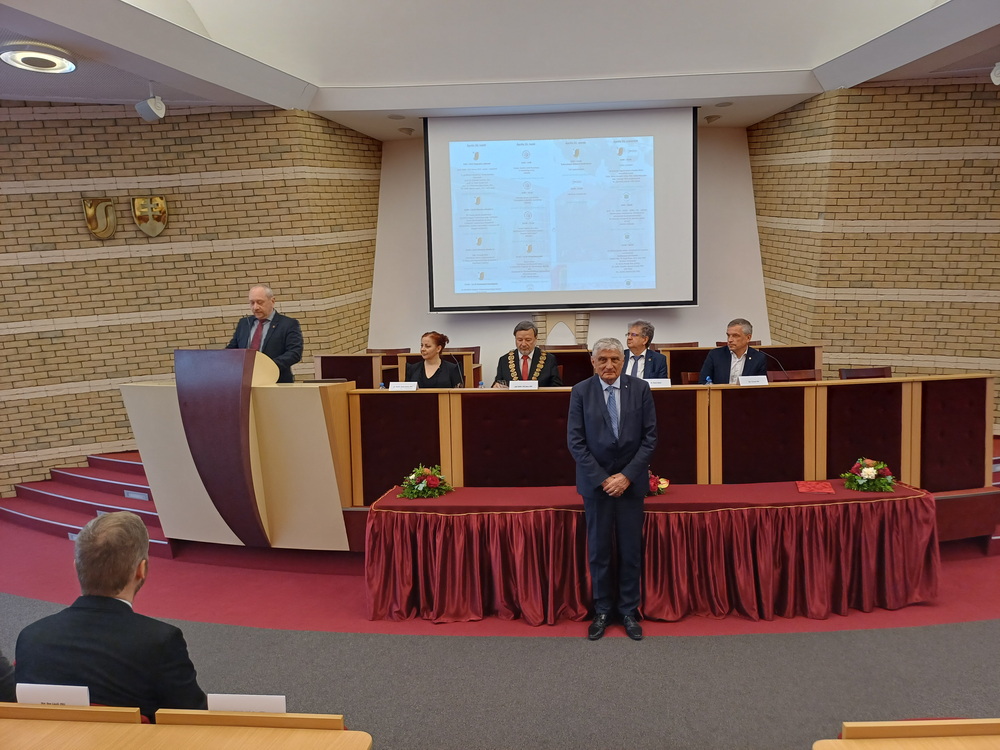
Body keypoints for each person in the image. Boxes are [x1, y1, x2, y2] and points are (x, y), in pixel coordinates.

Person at [15, 512, 207, 721]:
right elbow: (194, 718)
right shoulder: (160, 642)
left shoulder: (30, 637)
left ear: (76, 567)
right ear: (141, 570)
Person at [567, 337, 657, 641]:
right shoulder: (581, 391)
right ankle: (603, 611)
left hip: (630, 485)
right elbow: (576, 441)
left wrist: (627, 476)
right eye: (602, 359)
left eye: (615, 359)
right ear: (593, 362)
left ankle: (629, 611)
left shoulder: (640, 389)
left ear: (623, 361)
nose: (609, 365)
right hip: (597, 487)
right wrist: (604, 479)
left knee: (630, 551)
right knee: (599, 551)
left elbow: (650, 438)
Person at [226, 284, 303, 383]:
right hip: (245, 382)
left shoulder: (288, 324)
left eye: (260, 302)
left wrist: (267, 366)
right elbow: (232, 349)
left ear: (272, 301)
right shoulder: (244, 323)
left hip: (276, 381)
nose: (255, 307)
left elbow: (294, 353)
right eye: (252, 303)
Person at [492, 320, 562, 387]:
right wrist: (496, 385)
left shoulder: (549, 359)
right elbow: (497, 383)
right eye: (519, 340)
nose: (523, 344)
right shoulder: (504, 360)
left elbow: (556, 387)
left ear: (536, 339)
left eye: (528, 340)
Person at [698, 318, 766, 384]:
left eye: (735, 336)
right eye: (728, 335)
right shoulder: (715, 355)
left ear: (748, 338)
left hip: (746, 392)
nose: (730, 340)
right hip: (721, 392)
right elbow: (703, 381)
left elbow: (761, 386)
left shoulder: (758, 358)